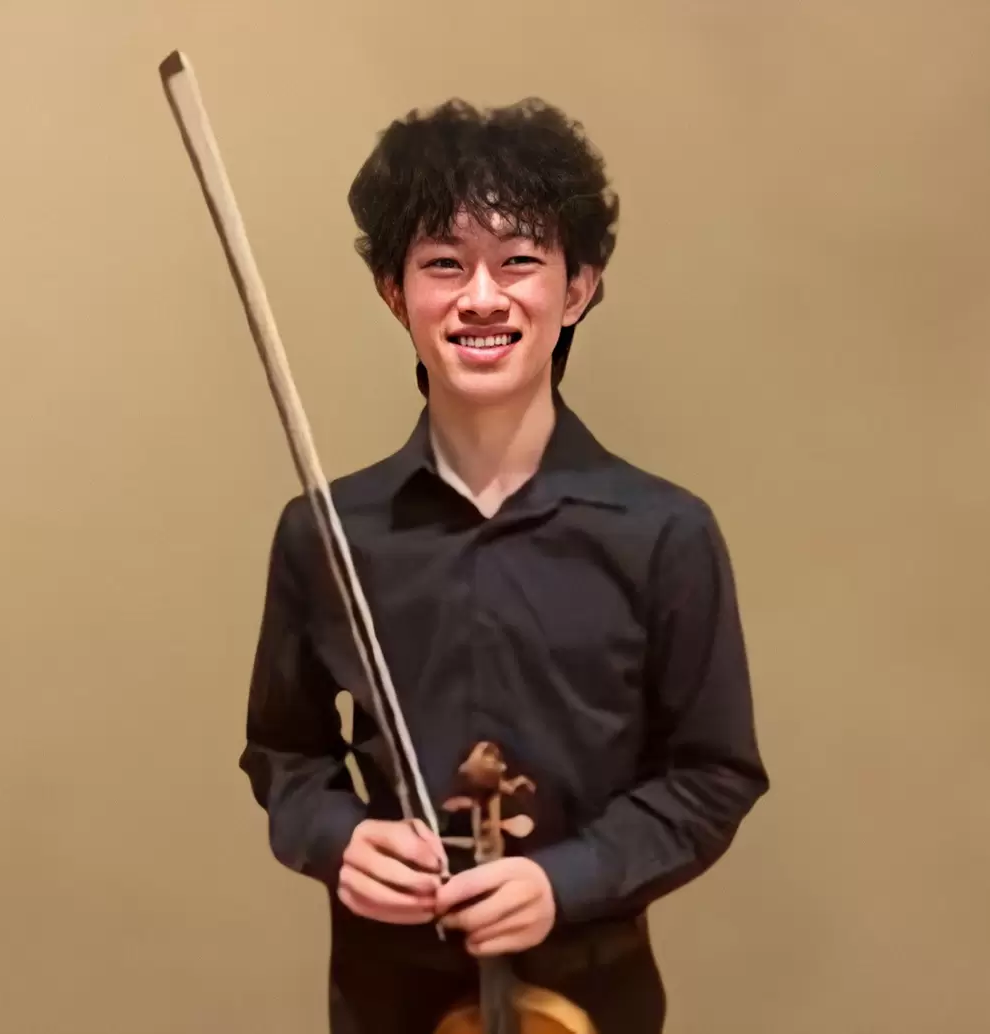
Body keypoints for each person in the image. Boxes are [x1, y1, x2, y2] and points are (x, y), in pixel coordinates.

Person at [238, 96, 769, 1033]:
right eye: (444, 264)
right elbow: (285, 756)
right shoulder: (327, 533)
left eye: (520, 261)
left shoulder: (663, 533)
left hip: (587, 994)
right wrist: (341, 838)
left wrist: (565, 879)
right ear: (396, 293)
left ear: (577, 290)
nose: (482, 297)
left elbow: (712, 775)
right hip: (390, 995)